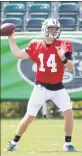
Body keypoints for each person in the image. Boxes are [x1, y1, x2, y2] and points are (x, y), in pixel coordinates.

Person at [4, 18, 76, 152]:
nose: (53, 32)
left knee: (69, 112)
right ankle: (14, 142)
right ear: (44, 29)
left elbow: (71, 67)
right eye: (51, 29)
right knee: (30, 116)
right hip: (40, 87)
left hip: (58, 87)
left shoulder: (64, 44)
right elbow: (18, 54)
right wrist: (11, 39)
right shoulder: (35, 44)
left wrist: (63, 58)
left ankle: (67, 144)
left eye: (55, 29)